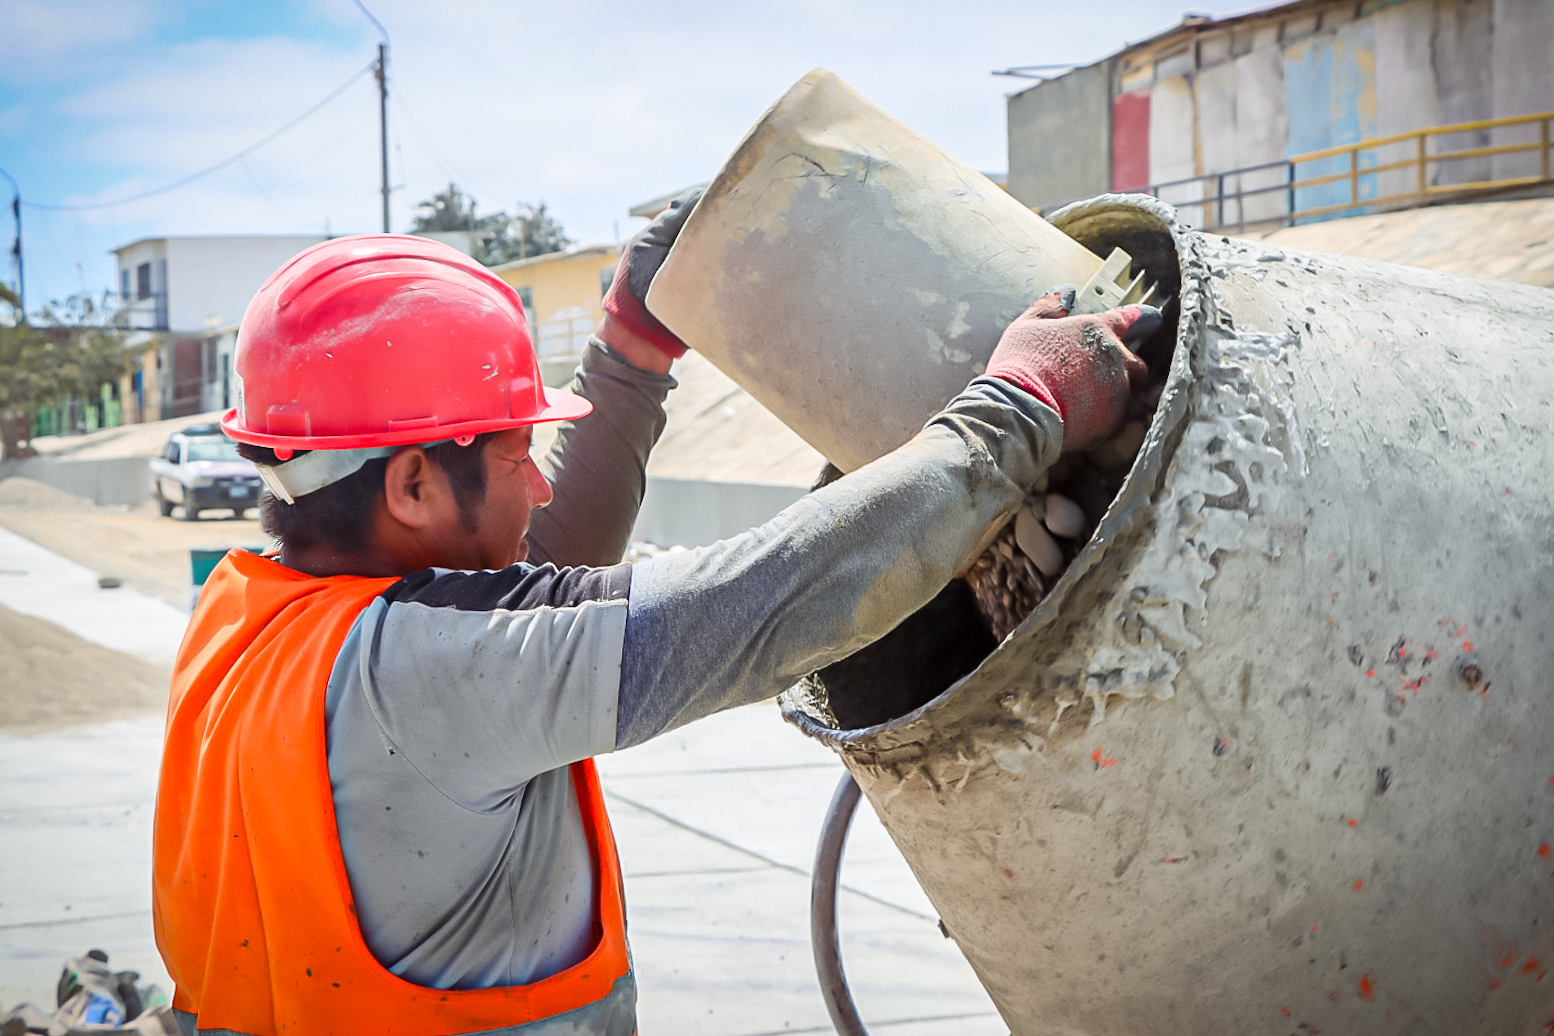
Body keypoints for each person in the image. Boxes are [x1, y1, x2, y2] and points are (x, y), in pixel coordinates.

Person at [152, 190, 1156, 1036]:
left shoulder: (253, 620)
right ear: (412, 484)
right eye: (514, 461)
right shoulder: (430, 674)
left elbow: (522, 595)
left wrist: (632, 354)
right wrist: (1021, 405)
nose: (538, 492)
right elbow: (754, 608)